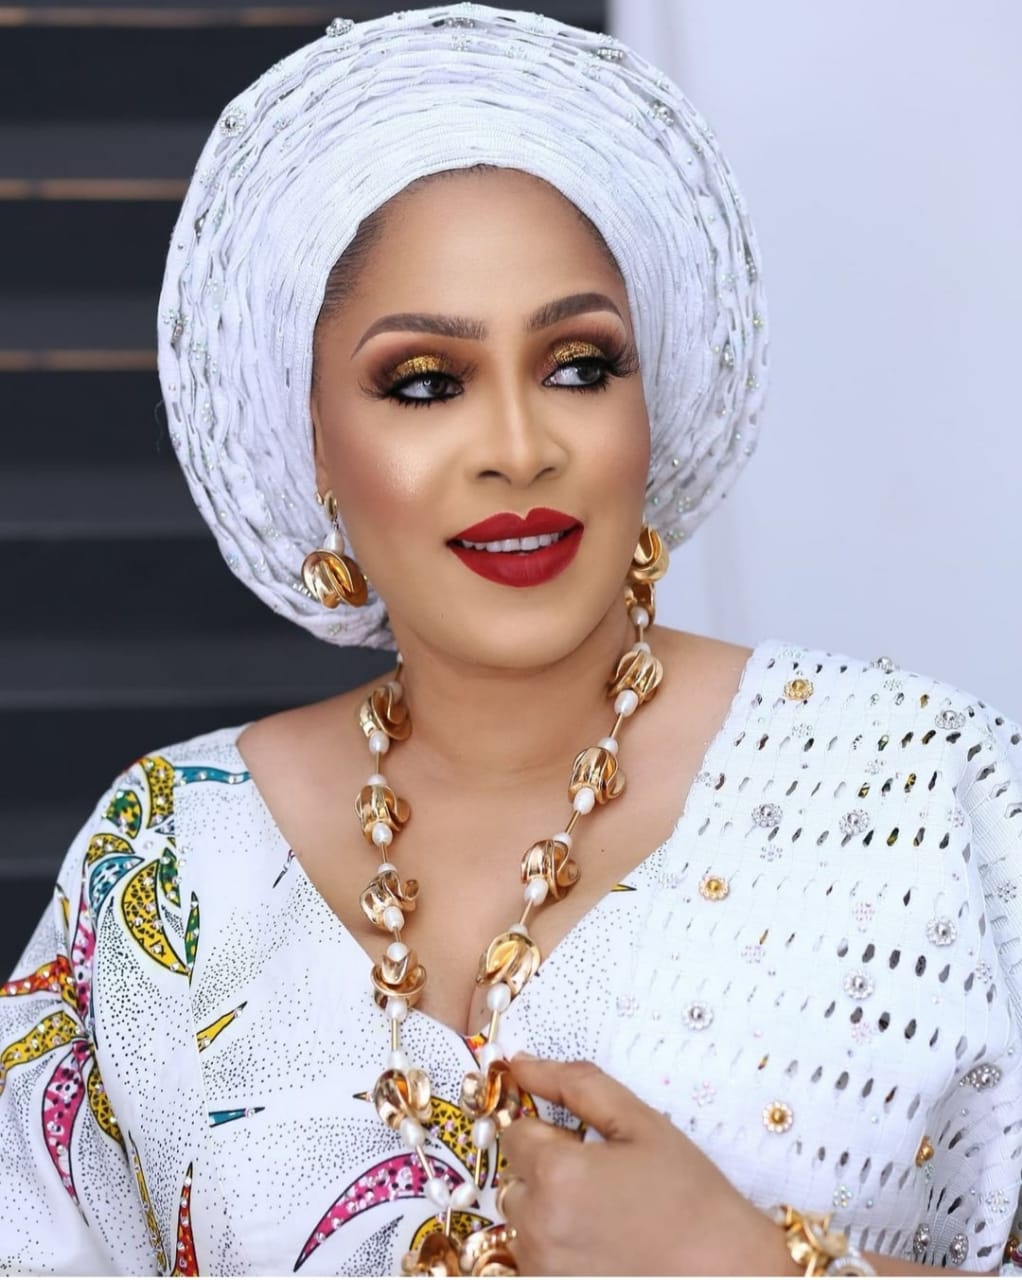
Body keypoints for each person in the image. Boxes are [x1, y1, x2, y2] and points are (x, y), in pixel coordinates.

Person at [1, 4, 1020, 1275]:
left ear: (651, 402)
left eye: (578, 365)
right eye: (424, 382)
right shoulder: (168, 857)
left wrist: (745, 1262)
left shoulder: (915, 792)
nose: (518, 448)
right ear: (313, 443)